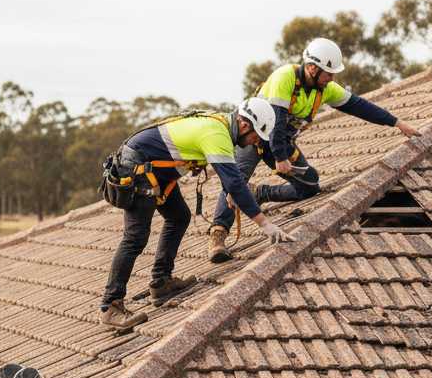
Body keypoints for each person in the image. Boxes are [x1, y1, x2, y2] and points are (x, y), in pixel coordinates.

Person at [208, 37, 421, 262]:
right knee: (235, 180)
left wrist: (397, 122)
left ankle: (261, 193)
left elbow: (359, 106)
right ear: (311, 68)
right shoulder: (284, 77)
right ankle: (218, 236)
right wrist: (280, 157)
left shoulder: (325, 89)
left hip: (282, 142)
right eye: (329, 73)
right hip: (254, 137)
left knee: (310, 185)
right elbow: (277, 121)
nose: (332, 78)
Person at [100, 99, 294, 329]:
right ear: (244, 125)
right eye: (256, 137)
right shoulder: (217, 133)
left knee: (179, 217)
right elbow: (236, 183)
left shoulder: (221, 126)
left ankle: (162, 282)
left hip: (154, 170)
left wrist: (229, 189)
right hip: (137, 168)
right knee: (135, 237)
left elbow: (228, 174)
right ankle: (110, 306)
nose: (255, 143)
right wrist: (265, 224)